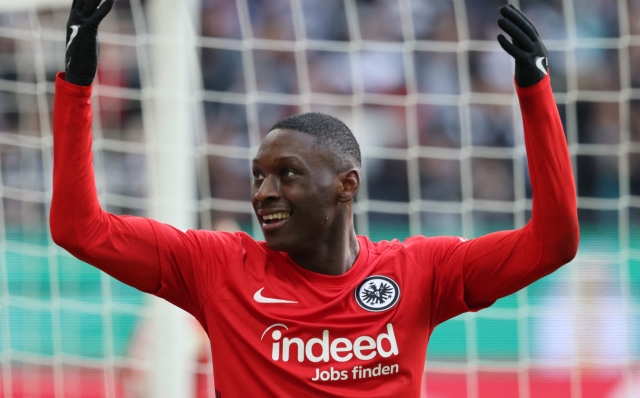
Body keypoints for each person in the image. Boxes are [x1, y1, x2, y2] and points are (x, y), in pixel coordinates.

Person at [51, 1, 579, 396]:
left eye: (287, 174)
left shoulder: (420, 272)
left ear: (346, 185)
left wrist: (534, 93)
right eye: (258, 177)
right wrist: (76, 85)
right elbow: (80, 229)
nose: (264, 193)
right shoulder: (216, 267)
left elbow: (553, 242)